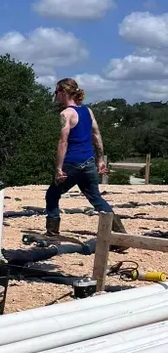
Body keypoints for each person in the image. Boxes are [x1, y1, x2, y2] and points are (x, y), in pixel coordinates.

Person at [45, 78, 126, 239]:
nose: (56, 96)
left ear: (63, 92)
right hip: (89, 162)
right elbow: (96, 135)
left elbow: (63, 141)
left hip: (72, 163)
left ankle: (52, 231)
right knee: (96, 198)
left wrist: (59, 168)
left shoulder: (66, 114)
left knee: (52, 194)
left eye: (56, 93)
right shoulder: (88, 111)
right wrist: (100, 160)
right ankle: (119, 233)